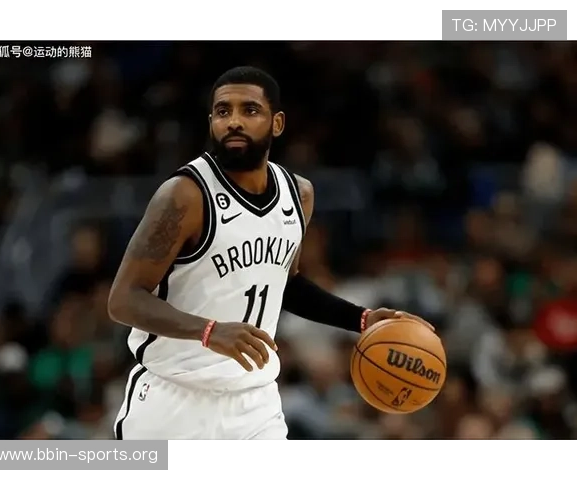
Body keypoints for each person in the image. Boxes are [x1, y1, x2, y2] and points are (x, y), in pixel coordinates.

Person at [108, 66, 431, 440]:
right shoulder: (184, 195)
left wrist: (361, 318)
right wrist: (208, 331)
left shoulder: (298, 195)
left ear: (277, 123)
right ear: (211, 122)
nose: (234, 121)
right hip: (174, 398)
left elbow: (285, 284)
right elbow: (123, 300)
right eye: (223, 111)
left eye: (249, 110)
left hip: (255, 403)